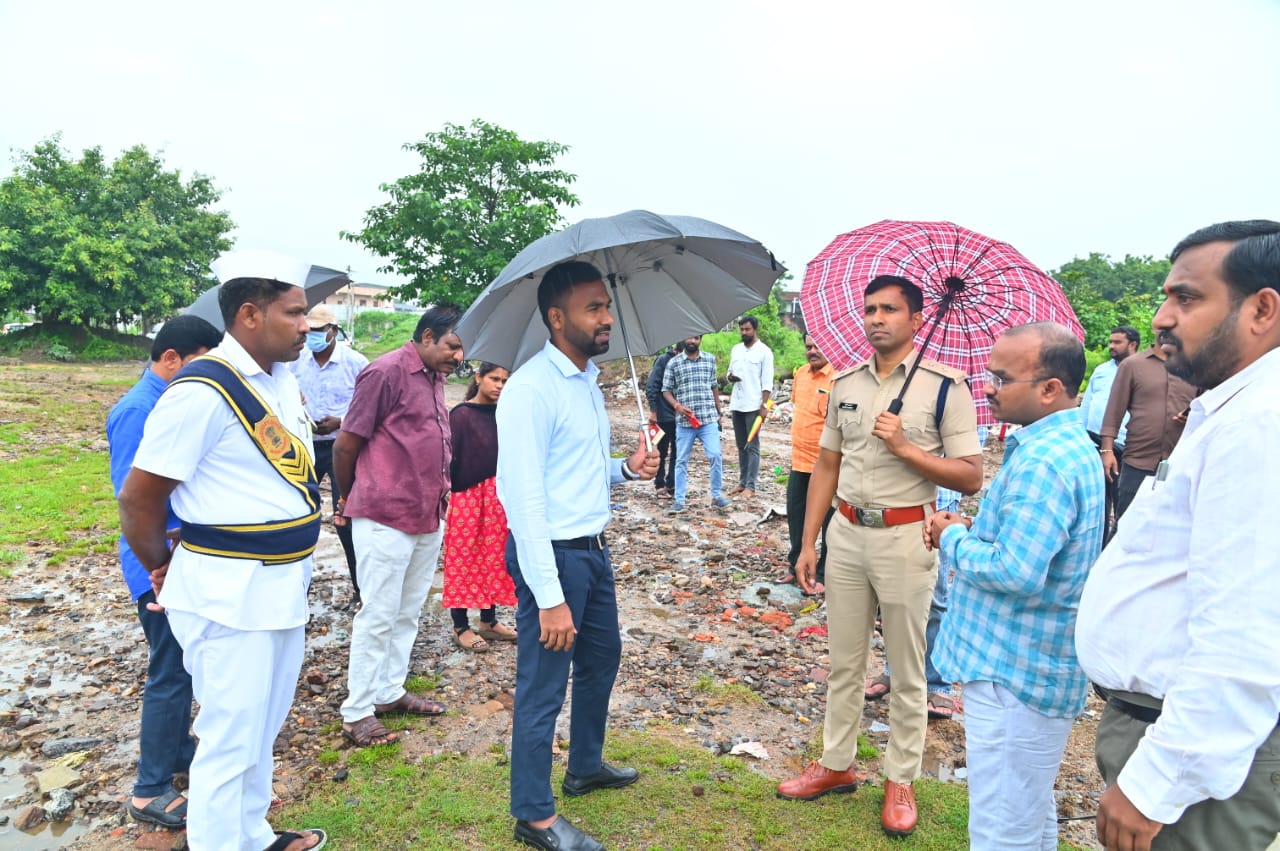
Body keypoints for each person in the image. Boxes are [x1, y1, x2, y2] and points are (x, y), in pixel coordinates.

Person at [1076, 220, 1280, 851]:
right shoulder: (1232, 406)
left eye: (1186, 297)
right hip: (1166, 733)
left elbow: (1247, 631)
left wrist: (1158, 780)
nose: (1161, 317)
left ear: (1262, 309)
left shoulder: (1259, 422)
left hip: (1192, 766)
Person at [117, 249, 327, 851]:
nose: (306, 325)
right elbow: (139, 498)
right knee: (229, 733)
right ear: (250, 315)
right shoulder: (202, 392)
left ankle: (250, 834)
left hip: (283, 585)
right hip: (226, 591)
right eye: (294, 313)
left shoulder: (283, 383)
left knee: (262, 727)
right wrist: (161, 564)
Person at [776, 275, 982, 838]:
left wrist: (905, 447)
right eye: (870, 308)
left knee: (906, 668)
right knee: (844, 661)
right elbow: (827, 465)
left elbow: (969, 474)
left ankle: (900, 779)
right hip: (845, 534)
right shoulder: (845, 383)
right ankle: (836, 765)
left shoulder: (945, 388)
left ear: (917, 319)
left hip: (904, 537)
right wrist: (808, 540)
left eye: (890, 309)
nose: (876, 318)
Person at [496, 260, 659, 851]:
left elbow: (574, 473)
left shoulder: (585, 381)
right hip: (554, 558)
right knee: (543, 685)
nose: (607, 317)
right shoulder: (530, 390)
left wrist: (624, 469)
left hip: (592, 551)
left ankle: (586, 764)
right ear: (558, 317)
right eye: (594, 307)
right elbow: (525, 500)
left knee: (602, 660)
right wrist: (549, 597)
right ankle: (534, 815)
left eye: (607, 306)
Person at [924, 322, 1104, 850]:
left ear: (1050, 388)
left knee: (1002, 827)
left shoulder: (1046, 462)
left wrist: (953, 536)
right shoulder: (1064, 447)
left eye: (1002, 378)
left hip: (1013, 675)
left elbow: (1016, 572)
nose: (988, 387)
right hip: (1030, 666)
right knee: (1028, 813)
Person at [107, 314, 222, 830]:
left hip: (177, 556)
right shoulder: (137, 410)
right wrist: (161, 564)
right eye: (201, 363)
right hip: (158, 560)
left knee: (180, 663)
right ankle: (149, 787)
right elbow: (135, 501)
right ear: (170, 358)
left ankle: (179, 750)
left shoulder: (172, 402)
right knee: (170, 671)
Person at [332, 306, 463, 748]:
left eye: (463, 348)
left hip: (427, 512)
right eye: (452, 345)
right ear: (427, 336)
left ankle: (388, 690)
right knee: (379, 612)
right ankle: (357, 711)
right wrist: (348, 498)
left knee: (408, 610)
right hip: (384, 513)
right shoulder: (385, 372)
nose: (459, 356)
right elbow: (347, 443)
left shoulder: (435, 378)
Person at [290, 304, 368, 605]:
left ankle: (362, 592)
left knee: (347, 521)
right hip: (306, 447)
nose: (313, 337)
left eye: (320, 331)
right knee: (299, 518)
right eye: (311, 331)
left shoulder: (355, 363)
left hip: (343, 448)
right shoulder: (295, 362)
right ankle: (298, 595)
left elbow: (370, 407)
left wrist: (342, 422)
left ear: (334, 331)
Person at [442, 362, 517, 652]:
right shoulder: (460, 415)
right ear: (479, 378)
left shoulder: (506, 414)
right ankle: (460, 625)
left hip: (499, 495)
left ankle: (488, 620)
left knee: (496, 555)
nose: (499, 385)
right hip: (468, 496)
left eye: (504, 381)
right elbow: (448, 459)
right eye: (494, 379)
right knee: (463, 555)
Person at [1097, 330, 1195, 519]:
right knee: (1125, 522)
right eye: (1164, 326)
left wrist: (1190, 417)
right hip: (1139, 459)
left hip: (1180, 459)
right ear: (1155, 327)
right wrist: (1107, 450)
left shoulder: (1194, 367)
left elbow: (1204, 405)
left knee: (1171, 523)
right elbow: (1113, 411)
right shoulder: (1132, 365)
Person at [779, 334, 834, 588]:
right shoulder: (800, 374)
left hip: (827, 466)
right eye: (808, 346)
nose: (812, 351)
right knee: (796, 516)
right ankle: (795, 566)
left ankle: (821, 575)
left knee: (828, 523)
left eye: (817, 346)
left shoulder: (839, 377)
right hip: (799, 461)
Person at [1078, 325, 1139, 539]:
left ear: (1132, 344)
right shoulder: (1102, 370)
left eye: (1117, 342)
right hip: (1094, 442)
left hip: (1124, 445)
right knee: (1097, 503)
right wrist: (1081, 434)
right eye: (1110, 342)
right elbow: (1087, 404)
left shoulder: (1139, 370)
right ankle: (1097, 546)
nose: (1111, 346)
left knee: (1122, 502)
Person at [662, 334, 732, 514]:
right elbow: (666, 390)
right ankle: (679, 500)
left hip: (708, 419)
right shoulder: (674, 363)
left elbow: (714, 387)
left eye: (696, 338)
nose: (692, 341)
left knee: (715, 455)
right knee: (681, 460)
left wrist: (719, 413)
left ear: (700, 340)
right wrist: (677, 405)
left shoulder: (709, 360)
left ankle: (716, 496)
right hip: (685, 423)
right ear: (684, 339)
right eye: (689, 338)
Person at [726, 315, 774, 498]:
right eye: (742, 329)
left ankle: (751, 487)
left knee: (752, 446)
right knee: (740, 445)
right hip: (737, 404)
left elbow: (767, 382)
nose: (744, 332)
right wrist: (731, 377)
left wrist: (763, 406)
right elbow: (730, 372)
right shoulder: (736, 350)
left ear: (755, 330)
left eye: (747, 329)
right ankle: (742, 482)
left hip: (754, 406)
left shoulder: (764, 352)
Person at [644, 343, 682, 497]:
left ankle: (671, 484)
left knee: (678, 451)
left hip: (680, 415)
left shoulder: (686, 361)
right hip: (663, 414)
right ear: (677, 350)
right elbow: (651, 386)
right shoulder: (663, 360)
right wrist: (654, 411)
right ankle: (659, 484)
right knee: (661, 450)